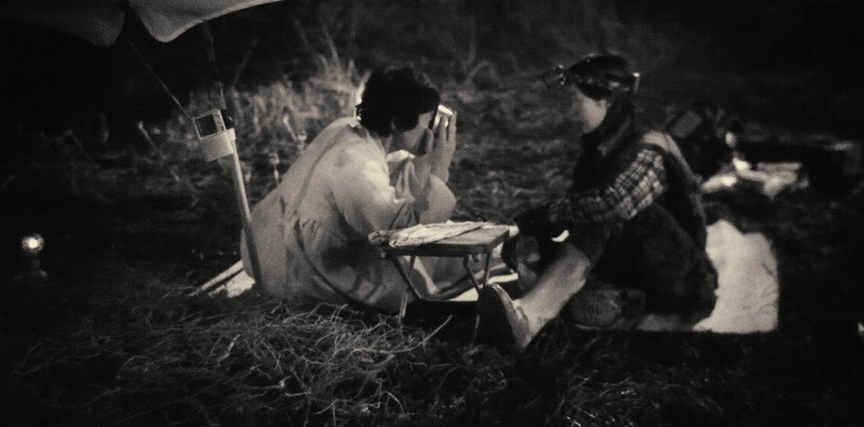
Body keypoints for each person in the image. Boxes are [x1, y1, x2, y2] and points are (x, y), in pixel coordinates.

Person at [478, 54, 718, 351]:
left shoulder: (647, 146)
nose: (570, 109)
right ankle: (607, 303)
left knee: (600, 217)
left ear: (604, 101)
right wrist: (537, 229)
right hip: (640, 264)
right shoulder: (602, 145)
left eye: (576, 101)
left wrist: (551, 214)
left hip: (682, 280)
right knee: (534, 243)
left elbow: (613, 204)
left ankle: (529, 316)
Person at [241, 66, 475, 311]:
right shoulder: (356, 166)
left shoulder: (347, 129)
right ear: (397, 122)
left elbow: (393, 178)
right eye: (427, 121)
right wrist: (440, 167)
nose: (431, 130)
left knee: (454, 251)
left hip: (265, 246)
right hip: (299, 268)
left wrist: (426, 157)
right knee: (411, 288)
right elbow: (407, 235)